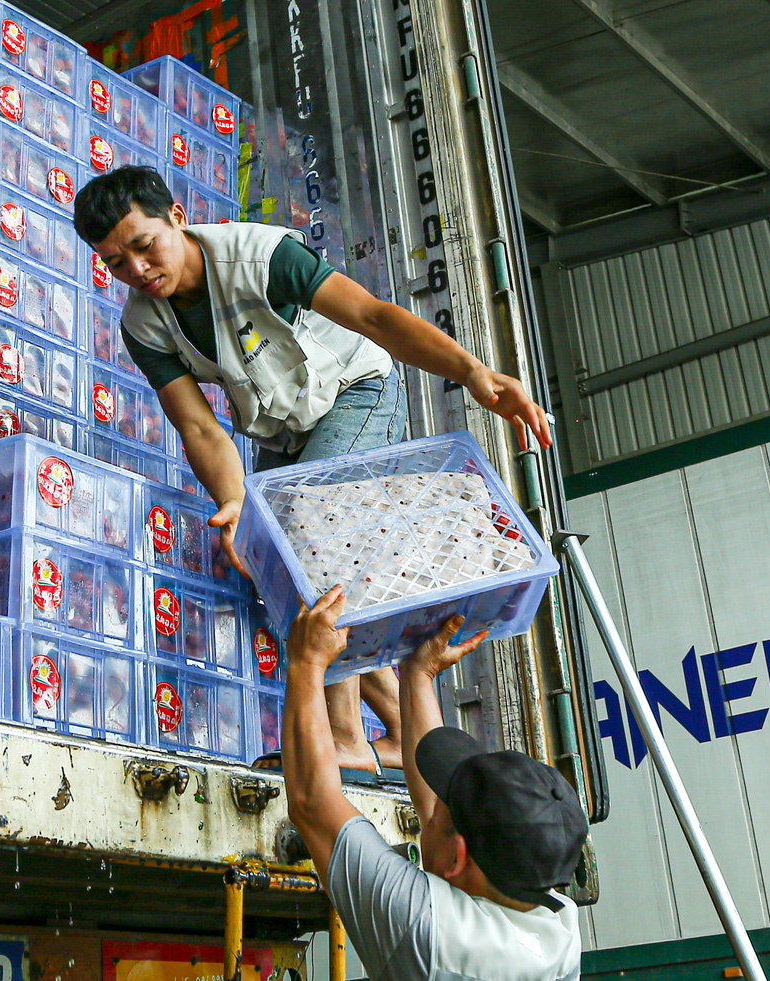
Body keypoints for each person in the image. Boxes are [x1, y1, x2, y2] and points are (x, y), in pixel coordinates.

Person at [71, 165, 554, 780]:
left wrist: (472, 372)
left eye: (143, 246)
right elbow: (198, 427)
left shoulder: (262, 258)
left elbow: (374, 317)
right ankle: (407, 734)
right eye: (115, 263)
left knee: (314, 542)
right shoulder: (144, 322)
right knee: (281, 575)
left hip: (356, 390)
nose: (137, 270)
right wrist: (235, 502)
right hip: (283, 428)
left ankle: (348, 740)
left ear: (176, 218)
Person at [285, 591, 586, 981]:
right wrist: (420, 674)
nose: (432, 801)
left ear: (459, 857)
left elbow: (314, 803)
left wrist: (306, 662)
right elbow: (438, 826)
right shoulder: (557, 923)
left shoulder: (433, 935)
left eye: (445, 804)